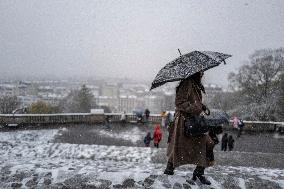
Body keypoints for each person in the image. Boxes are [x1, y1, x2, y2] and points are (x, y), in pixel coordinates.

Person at [164, 71, 214, 185]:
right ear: (195, 73)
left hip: (192, 120)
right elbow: (179, 102)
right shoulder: (187, 83)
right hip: (185, 122)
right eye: (200, 73)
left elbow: (193, 102)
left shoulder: (194, 84)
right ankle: (171, 169)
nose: (202, 75)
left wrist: (202, 106)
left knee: (205, 144)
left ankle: (197, 172)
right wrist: (197, 107)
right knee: (202, 144)